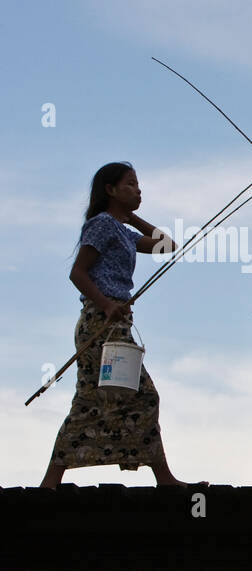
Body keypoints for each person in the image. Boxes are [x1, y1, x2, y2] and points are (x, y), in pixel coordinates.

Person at [39, 162, 195, 488]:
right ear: (110, 190)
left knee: (109, 397)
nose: (138, 190)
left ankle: (53, 480)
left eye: (138, 185)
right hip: (100, 324)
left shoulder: (120, 230)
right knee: (127, 396)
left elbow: (167, 245)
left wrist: (131, 215)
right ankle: (162, 477)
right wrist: (108, 304)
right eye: (130, 184)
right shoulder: (101, 225)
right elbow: (78, 273)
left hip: (115, 327)